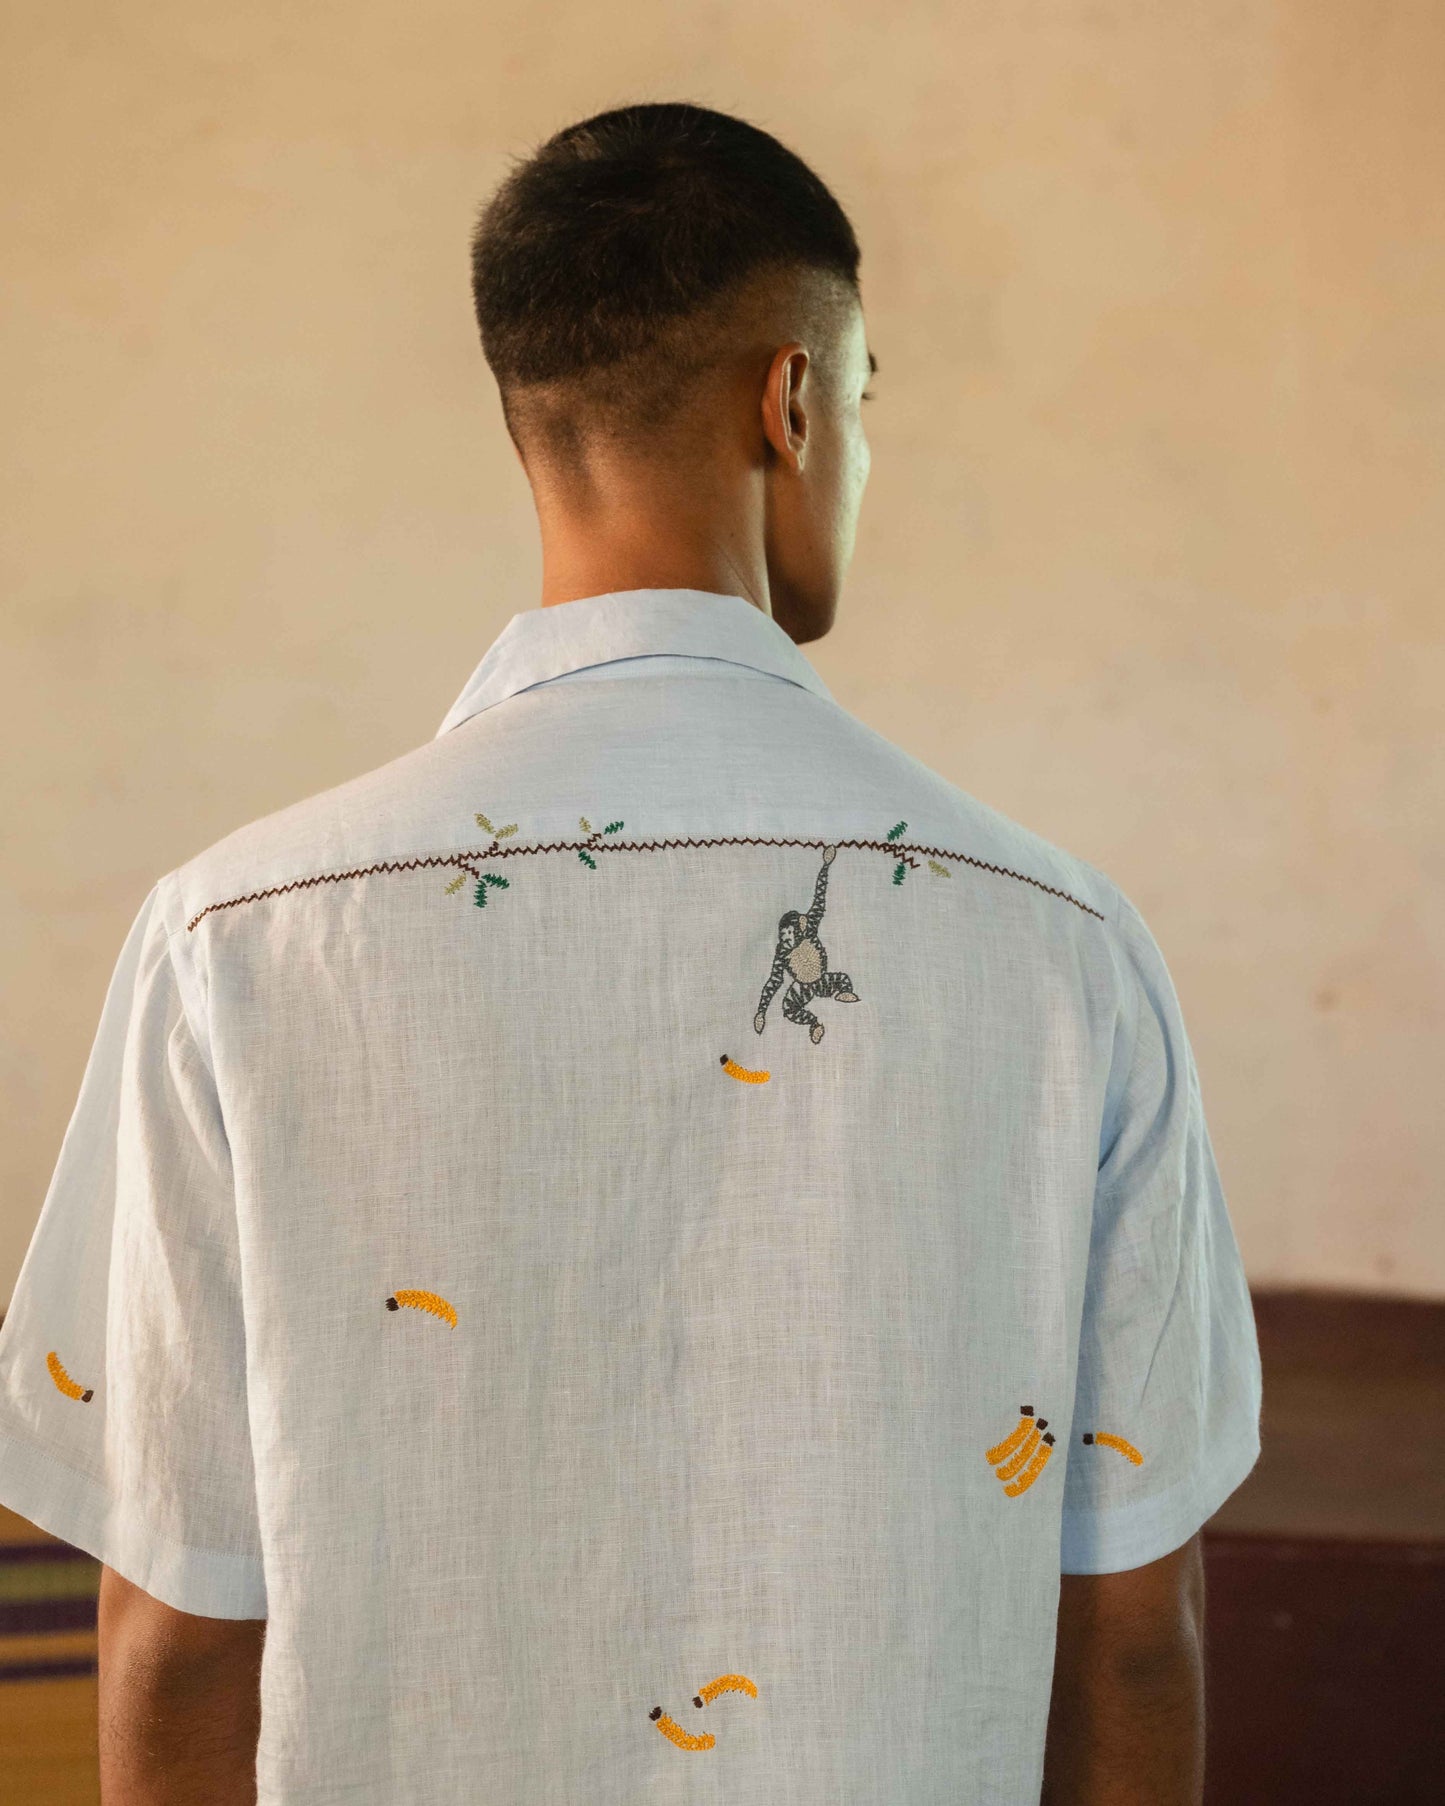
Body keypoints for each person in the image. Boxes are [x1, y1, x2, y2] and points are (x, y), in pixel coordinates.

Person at [0, 102, 1261, 1804]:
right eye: (865, 404)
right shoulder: (1060, 947)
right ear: (790, 401)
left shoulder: (237, 938)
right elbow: (1128, 1625)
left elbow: (176, 1627)